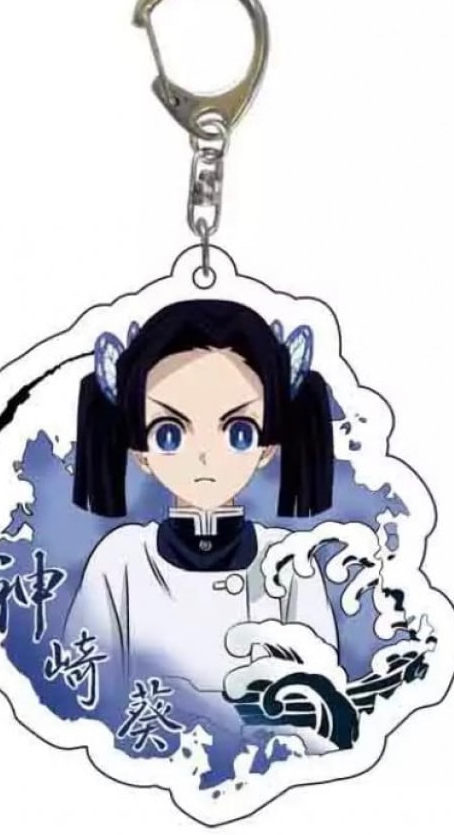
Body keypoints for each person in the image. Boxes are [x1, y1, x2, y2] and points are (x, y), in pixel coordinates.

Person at [64, 299, 336, 697]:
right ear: (141, 454)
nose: (205, 456)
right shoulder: (119, 560)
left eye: (239, 432)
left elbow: (321, 692)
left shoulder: (290, 562)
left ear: (267, 448)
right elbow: (83, 688)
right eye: (169, 433)